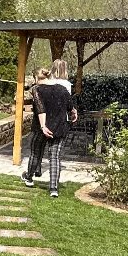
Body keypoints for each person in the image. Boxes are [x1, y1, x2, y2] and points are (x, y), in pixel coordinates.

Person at [32, 59, 79, 197]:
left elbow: (41, 108)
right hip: (59, 124)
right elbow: (68, 104)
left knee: (37, 151)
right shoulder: (65, 86)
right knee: (54, 157)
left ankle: (34, 172)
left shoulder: (41, 86)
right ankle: (53, 188)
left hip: (44, 123)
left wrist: (43, 125)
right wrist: (73, 111)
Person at [21, 67, 52, 186]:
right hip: (51, 123)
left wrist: (42, 125)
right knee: (41, 148)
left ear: (36, 77)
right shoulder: (54, 89)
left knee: (34, 151)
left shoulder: (36, 89)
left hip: (39, 124)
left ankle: (29, 177)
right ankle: (37, 170)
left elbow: (40, 108)